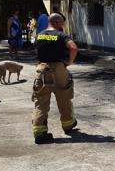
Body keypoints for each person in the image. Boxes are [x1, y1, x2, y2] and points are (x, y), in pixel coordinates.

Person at [31, 13, 78, 144]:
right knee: (64, 97)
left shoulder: (39, 35)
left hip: (42, 69)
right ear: (56, 22)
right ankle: (68, 125)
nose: (62, 26)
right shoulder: (61, 35)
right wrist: (69, 62)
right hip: (59, 69)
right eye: (62, 23)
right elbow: (73, 48)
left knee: (41, 101)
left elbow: (37, 49)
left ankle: (39, 133)